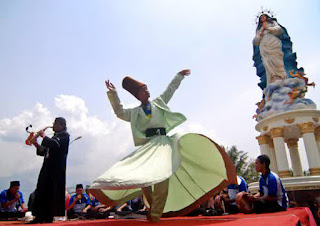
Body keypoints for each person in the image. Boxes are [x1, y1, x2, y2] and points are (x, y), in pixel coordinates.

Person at [89, 69, 237, 222]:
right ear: (138, 95)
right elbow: (119, 112)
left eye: (147, 88)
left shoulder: (159, 102)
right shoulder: (134, 113)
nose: (147, 90)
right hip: (147, 148)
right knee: (144, 181)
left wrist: (178, 76)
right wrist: (113, 94)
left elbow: (170, 90)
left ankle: (155, 214)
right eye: (143, 89)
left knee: (161, 178)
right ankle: (153, 208)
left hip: (163, 145)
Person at [30, 117, 70, 223]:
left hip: (56, 169)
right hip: (47, 166)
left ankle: (47, 216)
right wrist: (36, 144)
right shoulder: (55, 137)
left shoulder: (64, 136)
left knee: (51, 192)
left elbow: (55, 145)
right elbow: (45, 151)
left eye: (55, 124)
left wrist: (43, 136)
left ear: (61, 125)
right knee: (41, 190)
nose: (53, 125)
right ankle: (39, 215)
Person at [253, 14, 287, 86]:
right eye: (261, 17)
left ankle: (282, 77)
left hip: (274, 43)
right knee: (267, 63)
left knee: (277, 60)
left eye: (264, 16)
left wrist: (268, 29)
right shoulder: (259, 29)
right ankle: (273, 78)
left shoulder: (272, 23)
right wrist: (261, 32)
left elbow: (279, 30)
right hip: (264, 47)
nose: (263, 18)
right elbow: (255, 41)